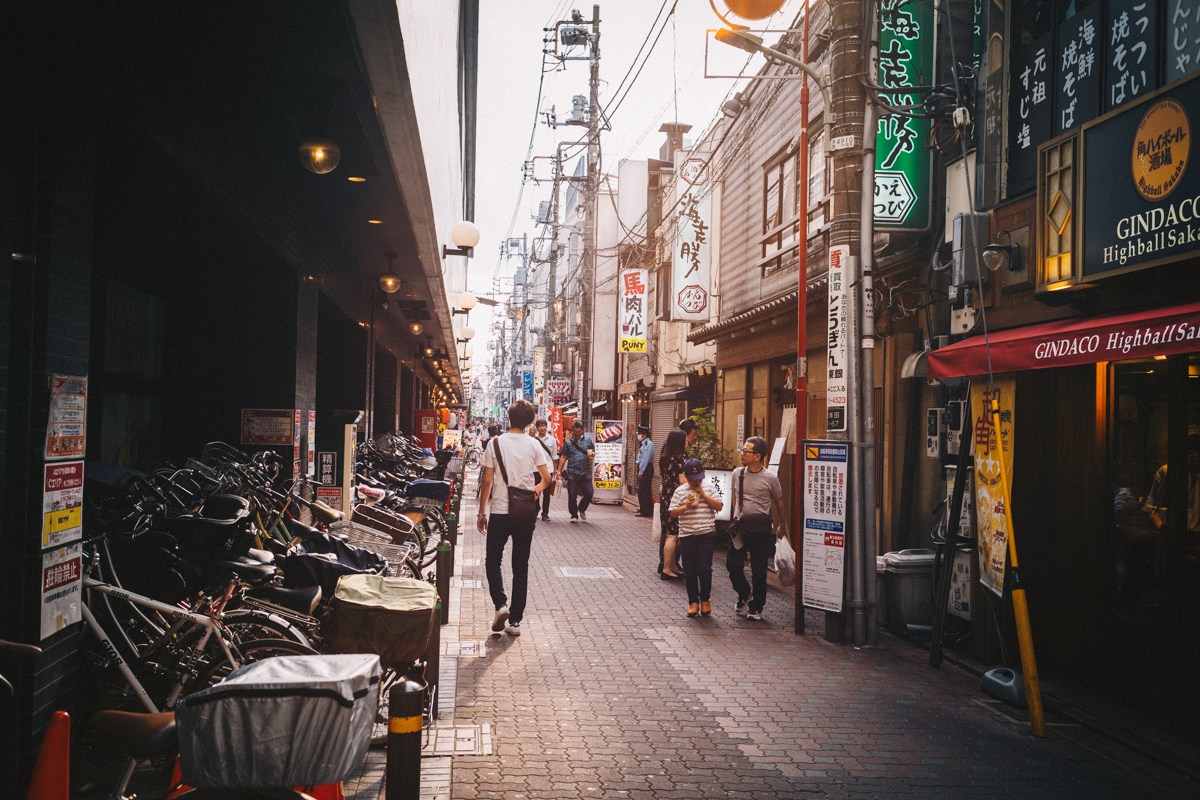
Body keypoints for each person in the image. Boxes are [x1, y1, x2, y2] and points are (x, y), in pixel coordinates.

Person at [477, 400, 552, 636]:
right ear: (530, 422)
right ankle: (516, 621)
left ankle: (501, 605)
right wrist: (537, 489)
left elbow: (486, 482)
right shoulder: (534, 444)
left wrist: (481, 513)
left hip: (499, 511)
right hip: (524, 512)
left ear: (508, 419)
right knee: (520, 567)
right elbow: (547, 478)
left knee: (493, 561)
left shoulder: (495, 443)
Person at [727, 436, 788, 621]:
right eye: (742, 449)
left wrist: (782, 526)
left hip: (760, 529)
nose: (742, 453)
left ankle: (756, 607)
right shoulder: (738, 473)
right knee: (732, 564)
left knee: (759, 569)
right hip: (740, 526)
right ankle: (745, 592)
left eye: (746, 451)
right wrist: (736, 516)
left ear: (757, 457)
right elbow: (735, 496)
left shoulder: (770, 478)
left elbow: (779, 503)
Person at [668, 458, 723, 617]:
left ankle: (705, 600)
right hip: (687, 535)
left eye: (698, 478)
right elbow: (672, 513)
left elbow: (719, 506)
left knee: (704, 569)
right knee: (690, 571)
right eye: (692, 479)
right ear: (686, 477)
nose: (696, 482)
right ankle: (693, 603)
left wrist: (703, 495)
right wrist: (686, 506)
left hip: (706, 534)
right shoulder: (680, 491)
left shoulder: (709, 488)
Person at [657, 430, 689, 579]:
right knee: (673, 534)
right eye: (686, 440)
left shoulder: (664, 458)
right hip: (676, 498)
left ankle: (673, 565)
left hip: (665, 497)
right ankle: (667, 569)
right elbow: (683, 481)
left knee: (670, 531)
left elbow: (663, 481)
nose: (687, 442)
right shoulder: (681, 458)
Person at [556, 420, 595, 522]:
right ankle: (574, 515)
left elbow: (593, 452)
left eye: (579, 432)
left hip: (585, 472)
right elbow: (563, 457)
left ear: (582, 431)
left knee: (589, 493)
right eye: (575, 432)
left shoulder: (588, 441)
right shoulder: (568, 443)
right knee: (572, 495)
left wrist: (592, 454)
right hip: (572, 472)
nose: (577, 434)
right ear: (572, 431)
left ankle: (581, 508)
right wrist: (559, 470)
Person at [531, 418, 559, 522]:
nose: (542, 428)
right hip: (535, 470)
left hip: (549, 469)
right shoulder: (533, 440)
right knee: (536, 491)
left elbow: (554, 456)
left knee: (547, 493)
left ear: (546, 427)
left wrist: (555, 471)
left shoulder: (552, 440)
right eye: (540, 426)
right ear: (537, 428)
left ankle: (545, 513)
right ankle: (536, 509)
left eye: (544, 426)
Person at [634, 426, 655, 517]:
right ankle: (646, 509)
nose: (639, 435)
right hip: (644, 468)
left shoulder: (648, 444)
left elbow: (645, 460)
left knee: (644, 490)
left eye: (640, 434)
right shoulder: (644, 444)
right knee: (645, 490)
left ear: (644, 434)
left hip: (646, 468)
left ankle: (645, 511)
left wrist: (641, 472)